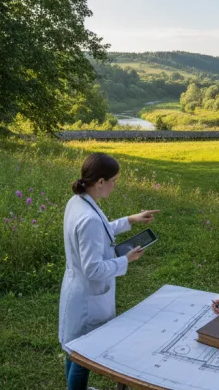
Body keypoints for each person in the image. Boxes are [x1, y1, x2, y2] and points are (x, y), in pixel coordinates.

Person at [59, 153, 158, 390]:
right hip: (88, 296)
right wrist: (126, 260)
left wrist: (130, 220)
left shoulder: (78, 201)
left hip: (78, 288)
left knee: (74, 347)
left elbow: (100, 232)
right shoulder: (88, 217)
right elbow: (93, 269)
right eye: (113, 180)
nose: (115, 186)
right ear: (100, 182)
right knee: (85, 353)